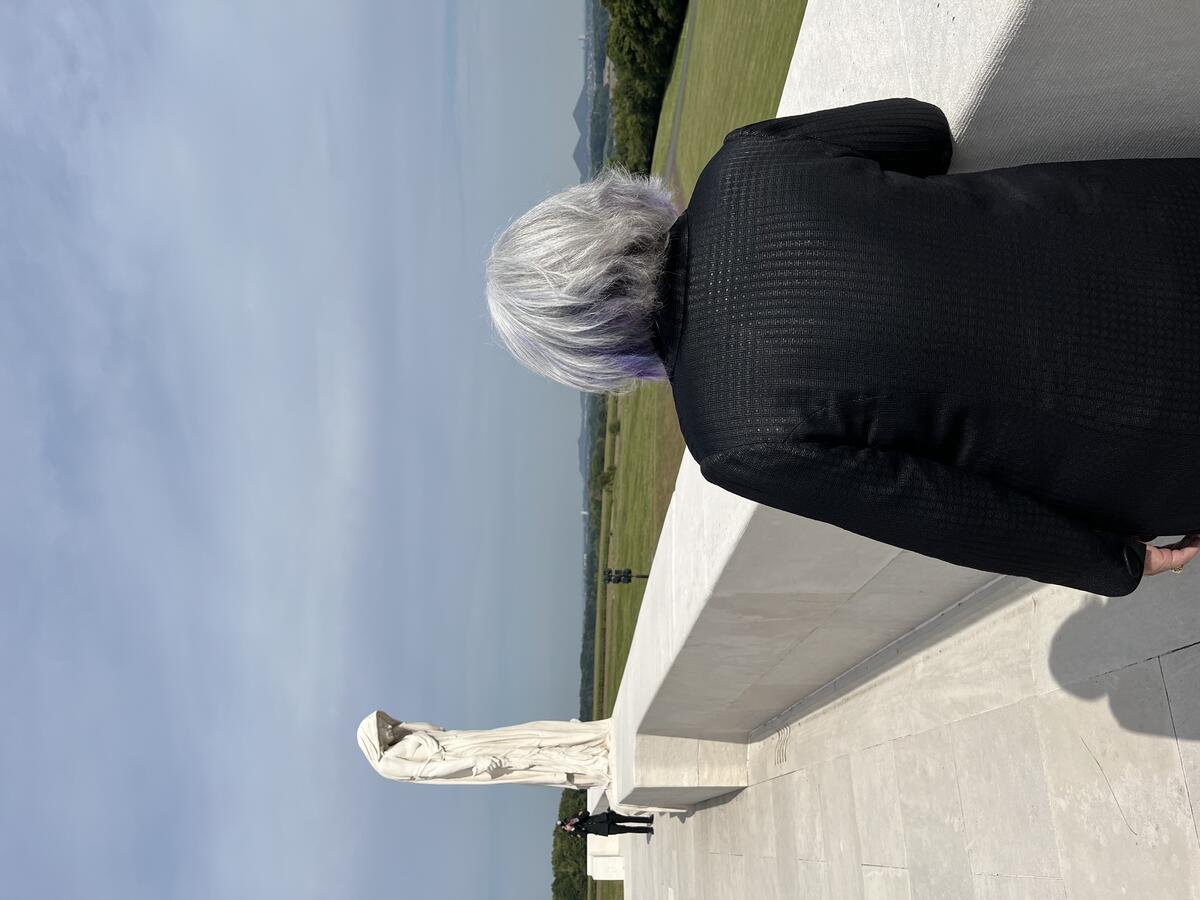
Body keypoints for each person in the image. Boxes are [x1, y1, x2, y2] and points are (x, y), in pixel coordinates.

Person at [485, 96, 1200, 597]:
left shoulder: (731, 439)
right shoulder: (747, 162)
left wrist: (1118, 564)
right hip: (1159, 222)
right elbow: (923, 131)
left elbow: (941, 510)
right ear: (603, 207)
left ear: (589, 356)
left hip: (1159, 435)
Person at [559, 809, 655, 838]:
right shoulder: (575, 833)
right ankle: (647, 830)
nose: (568, 823)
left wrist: (576, 819)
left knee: (627, 818)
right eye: (566, 825)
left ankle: (648, 820)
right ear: (566, 830)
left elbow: (586, 813)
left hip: (605, 817)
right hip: (605, 829)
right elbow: (584, 834)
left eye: (566, 822)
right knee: (627, 829)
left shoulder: (575, 817)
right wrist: (573, 828)